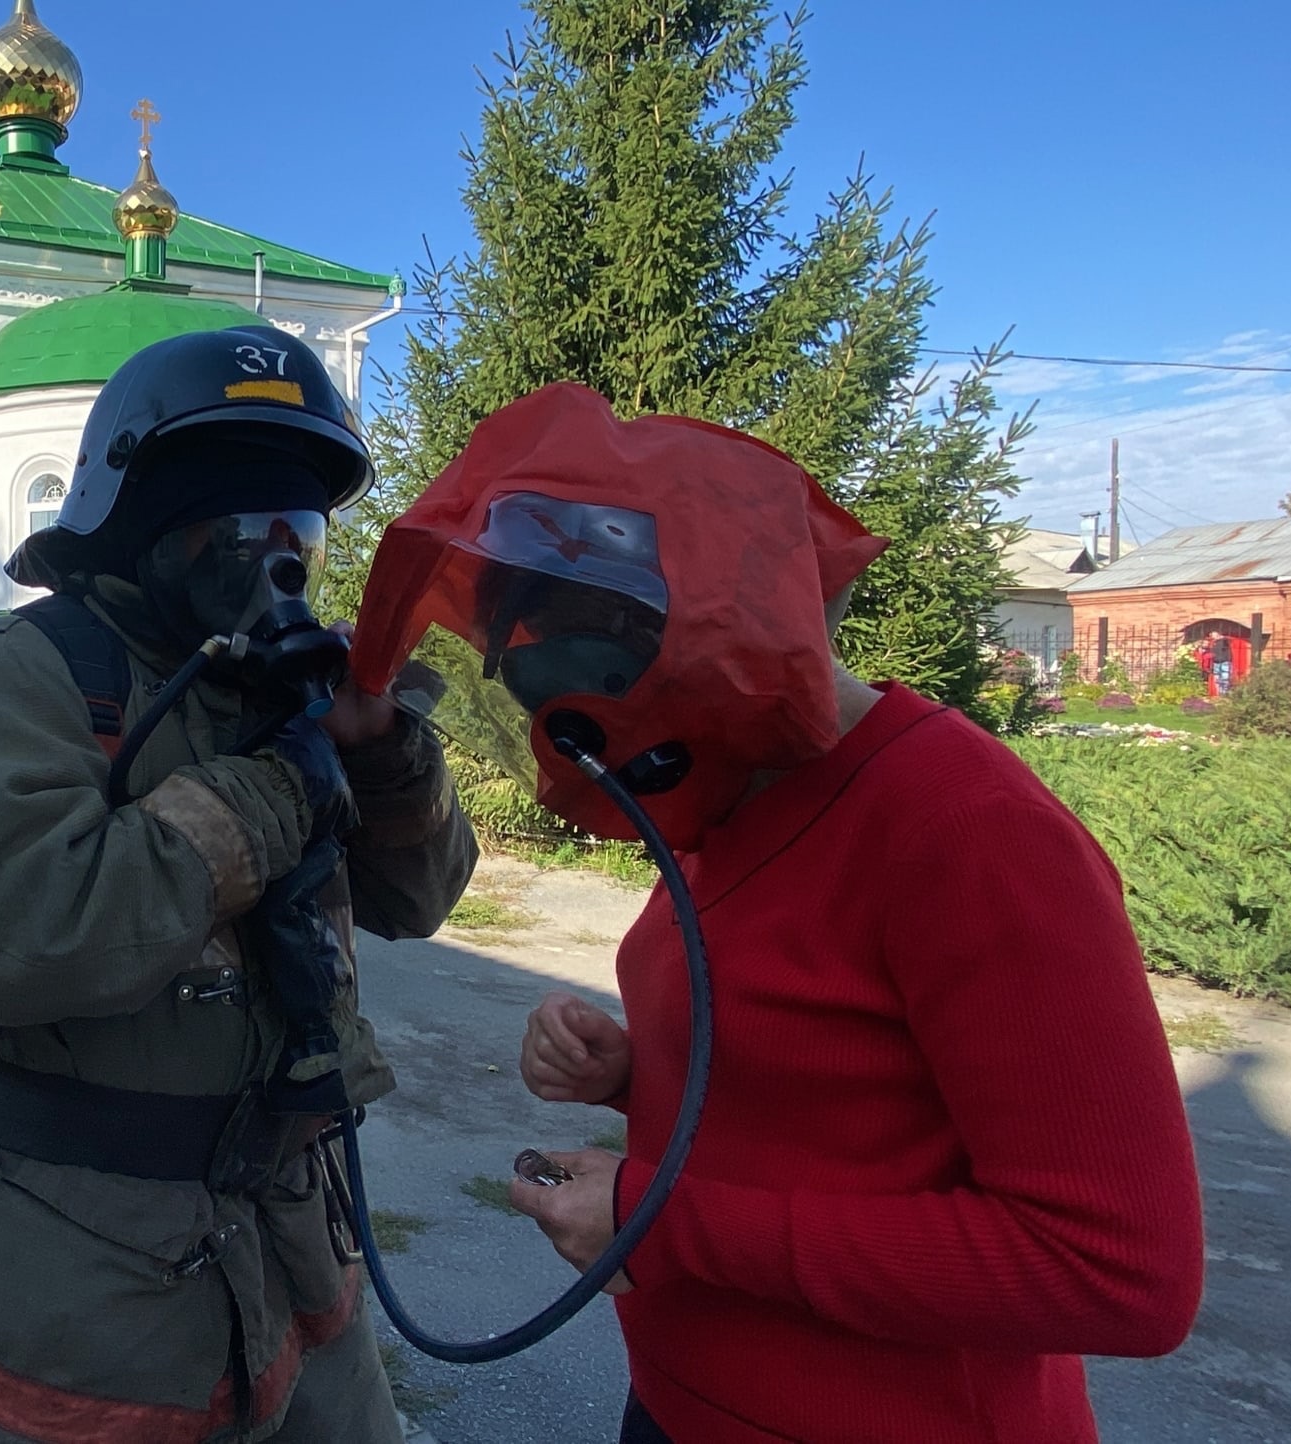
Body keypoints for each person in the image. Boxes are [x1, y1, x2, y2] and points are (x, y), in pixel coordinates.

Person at [347, 382, 1205, 1444]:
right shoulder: (722, 786)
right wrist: (633, 1071)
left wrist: (663, 1221)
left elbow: (1117, 1270)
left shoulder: (970, 830)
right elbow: (838, 1081)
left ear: (695, 640)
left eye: (596, 710)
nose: (594, 761)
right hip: (680, 1403)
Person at [0, 325, 477, 1444]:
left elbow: (420, 898)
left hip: (290, 1244)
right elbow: (21, 934)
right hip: (72, 1274)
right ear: (139, 518)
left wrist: (381, 749)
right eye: (238, 526)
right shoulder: (30, 676)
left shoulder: (272, 694)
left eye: (300, 529)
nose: (274, 560)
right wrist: (277, 792)